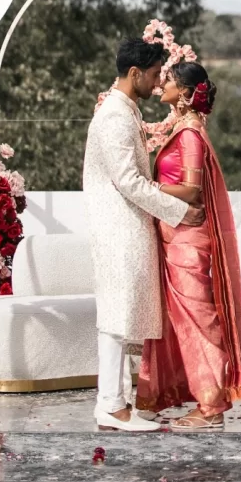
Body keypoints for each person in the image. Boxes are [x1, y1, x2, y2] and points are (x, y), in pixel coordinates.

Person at [83, 38, 206, 432]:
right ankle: (112, 406)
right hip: (119, 225)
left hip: (125, 225)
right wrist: (182, 212)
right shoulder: (116, 116)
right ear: (135, 72)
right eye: (154, 75)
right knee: (117, 317)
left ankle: (113, 405)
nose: (157, 84)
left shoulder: (123, 110)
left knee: (119, 316)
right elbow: (129, 182)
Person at [136, 60, 241, 429]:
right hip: (176, 235)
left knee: (199, 321)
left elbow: (191, 190)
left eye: (169, 81)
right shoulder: (183, 128)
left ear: (185, 96)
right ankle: (189, 394)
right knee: (181, 321)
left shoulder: (190, 135)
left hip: (188, 240)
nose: (162, 85)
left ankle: (211, 407)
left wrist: (146, 186)